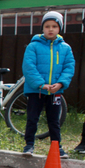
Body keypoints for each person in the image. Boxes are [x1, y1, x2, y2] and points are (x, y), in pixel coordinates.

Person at [21, 11, 75, 158]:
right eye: (47, 26)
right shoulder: (33, 47)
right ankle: (29, 145)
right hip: (36, 90)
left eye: (54, 26)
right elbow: (29, 67)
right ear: (42, 28)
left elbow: (69, 67)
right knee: (32, 118)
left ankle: (57, 147)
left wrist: (61, 83)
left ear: (59, 28)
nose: (50, 29)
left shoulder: (65, 48)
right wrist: (41, 84)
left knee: (54, 121)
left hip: (55, 91)